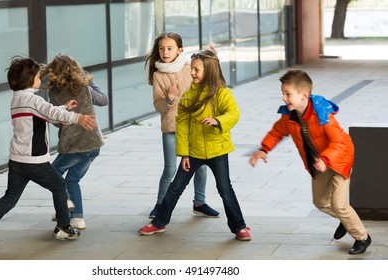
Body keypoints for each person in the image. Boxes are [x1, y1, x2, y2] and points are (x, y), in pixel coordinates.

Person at [0, 55, 96, 252]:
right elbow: (51, 113)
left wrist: (63, 107)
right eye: (37, 76)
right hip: (33, 161)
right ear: (29, 80)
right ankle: (63, 227)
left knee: (10, 197)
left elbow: (44, 111)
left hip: (16, 160)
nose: (40, 79)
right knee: (60, 186)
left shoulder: (18, 99)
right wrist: (77, 117)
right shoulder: (32, 99)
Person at [248, 69, 371, 254]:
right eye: (282, 93)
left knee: (339, 204)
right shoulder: (289, 117)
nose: (284, 98)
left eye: (287, 94)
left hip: (338, 159)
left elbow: (339, 142)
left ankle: (362, 237)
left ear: (304, 95)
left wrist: (325, 159)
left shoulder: (323, 115)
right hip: (318, 163)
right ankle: (347, 220)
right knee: (320, 201)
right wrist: (263, 149)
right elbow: (276, 132)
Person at [139, 49, 251, 241]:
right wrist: (184, 154)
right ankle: (158, 223)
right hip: (193, 153)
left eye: (196, 70)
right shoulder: (189, 94)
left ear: (209, 71)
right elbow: (181, 125)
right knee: (175, 187)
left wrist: (217, 120)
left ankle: (239, 227)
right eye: (192, 69)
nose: (192, 73)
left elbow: (233, 113)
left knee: (225, 189)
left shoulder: (223, 93)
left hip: (218, 151)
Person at [145, 32, 220, 219]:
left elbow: (208, 79)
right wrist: (169, 100)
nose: (165, 52)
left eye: (169, 48)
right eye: (161, 48)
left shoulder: (190, 68)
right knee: (170, 168)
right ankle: (160, 204)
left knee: (201, 166)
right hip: (170, 127)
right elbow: (158, 105)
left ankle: (199, 202)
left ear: (179, 50)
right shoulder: (158, 75)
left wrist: (214, 58)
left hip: (194, 127)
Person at [42, 54, 108, 230]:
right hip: (93, 144)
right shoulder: (83, 87)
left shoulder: (54, 92)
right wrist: (89, 82)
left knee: (53, 173)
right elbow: (104, 100)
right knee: (72, 180)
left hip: (73, 145)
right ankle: (77, 217)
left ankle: (64, 204)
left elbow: (56, 120)